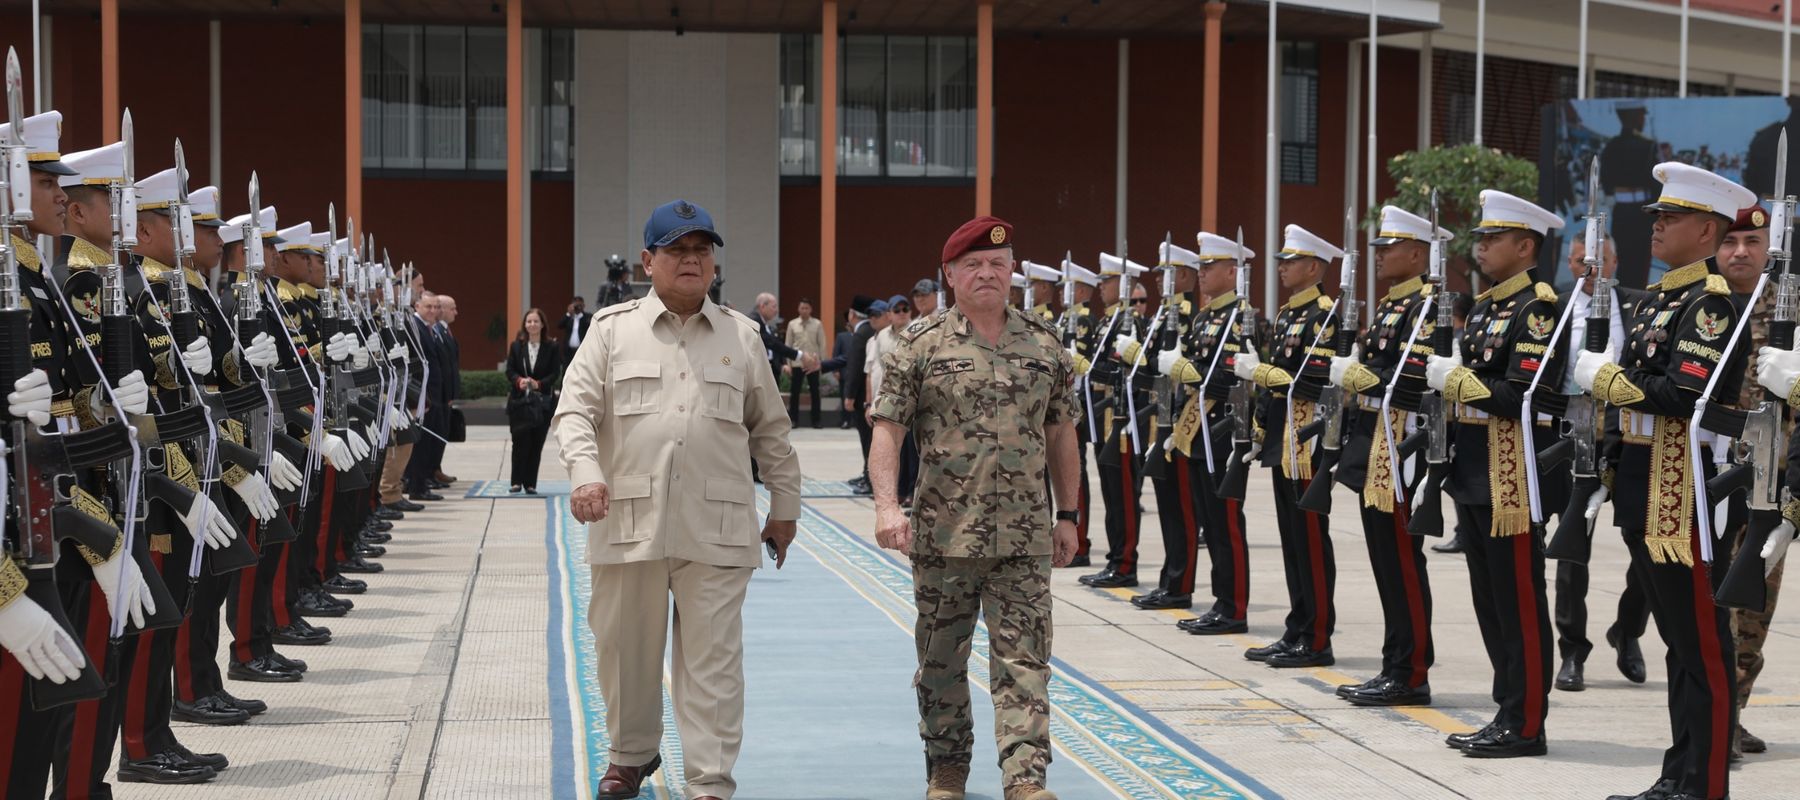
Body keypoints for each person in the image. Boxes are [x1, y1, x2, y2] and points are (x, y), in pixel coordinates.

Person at [554, 199, 800, 800]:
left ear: (713, 262)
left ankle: (710, 782)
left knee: (713, 664)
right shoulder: (611, 331)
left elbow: (771, 430)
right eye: (677, 250)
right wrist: (585, 474)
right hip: (627, 519)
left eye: (701, 250)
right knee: (624, 653)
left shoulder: (742, 337)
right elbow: (575, 412)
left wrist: (785, 508)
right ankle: (631, 755)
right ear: (648, 261)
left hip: (717, 525)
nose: (691, 260)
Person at [869, 215, 1077, 800]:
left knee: (1025, 662)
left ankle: (1025, 779)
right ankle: (947, 769)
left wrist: (1068, 515)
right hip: (944, 536)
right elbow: (887, 429)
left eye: (997, 264)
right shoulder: (920, 343)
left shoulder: (1044, 344)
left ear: (1012, 272)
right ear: (950, 274)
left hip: (1025, 537)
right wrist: (887, 507)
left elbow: (1062, 433)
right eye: (973, 264)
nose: (987, 273)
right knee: (941, 661)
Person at [1575, 162, 1753, 800]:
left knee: (1699, 643)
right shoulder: (1659, 299)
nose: (1657, 226)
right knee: (1679, 641)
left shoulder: (1710, 305)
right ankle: (1678, 773)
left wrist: (1607, 380)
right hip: (1642, 480)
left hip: (1684, 489)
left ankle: (1703, 783)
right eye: (1657, 216)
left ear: (1706, 232)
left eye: (1671, 218)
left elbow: (1682, 395)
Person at [1425, 190, 1564, 758]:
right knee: (1491, 603)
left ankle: (1526, 723)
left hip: (1512, 479)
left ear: (1525, 246)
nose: (1480, 247)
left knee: (1519, 603)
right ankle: (1507, 710)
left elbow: (1520, 396)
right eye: (1480, 237)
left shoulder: (1538, 309)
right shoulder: (1486, 307)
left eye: (1493, 238)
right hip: (1475, 471)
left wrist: (1457, 381)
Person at [1325, 205, 1444, 708]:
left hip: (1402, 445)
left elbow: (1415, 378)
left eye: (1389, 248)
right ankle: (1394, 664)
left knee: (1401, 562)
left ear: (1416, 254)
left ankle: (1411, 672)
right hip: (1374, 439)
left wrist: (1359, 375)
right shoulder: (1392, 305)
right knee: (1385, 563)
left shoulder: (1425, 306)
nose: (1379, 255)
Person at [1548, 235, 1652, 693]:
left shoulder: (1641, 305)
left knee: (1647, 548)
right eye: (1581, 262)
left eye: (1600, 261)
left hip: (1629, 436)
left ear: (1616, 261)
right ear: (1571, 265)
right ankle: (1572, 650)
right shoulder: (1554, 309)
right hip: (1575, 434)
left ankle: (1628, 629)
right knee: (1573, 548)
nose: (1591, 270)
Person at [1233, 225, 1340, 666]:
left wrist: (1260, 373)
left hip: (1308, 440)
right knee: (1292, 541)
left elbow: (1317, 381)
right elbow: (1277, 387)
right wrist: (1260, 427)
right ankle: (1297, 628)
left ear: (1313, 267)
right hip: (1284, 439)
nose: (1281, 267)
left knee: (1311, 540)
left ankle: (1317, 638)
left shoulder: (1325, 316)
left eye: (1290, 261)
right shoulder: (1287, 315)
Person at [1161, 233, 1257, 633]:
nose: (1201, 273)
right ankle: (1221, 602)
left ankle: (1234, 608)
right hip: (1197, 430)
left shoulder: (1242, 317)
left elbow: (1235, 380)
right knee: (1210, 523)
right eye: (1200, 266)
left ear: (1232, 272)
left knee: (1226, 525)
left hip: (1223, 432)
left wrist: (1186, 371)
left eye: (1209, 266)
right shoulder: (1204, 318)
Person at [1715, 203, 1780, 759]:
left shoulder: (1788, 314)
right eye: (1730, 241)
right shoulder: (1698, 305)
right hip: (1703, 479)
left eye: (1752, 242)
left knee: (1754, 607)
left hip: (1767, 486)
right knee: (1706, 608)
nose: (1740, 252)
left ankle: (1730, 716)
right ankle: (1709, 715)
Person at [1115, 242, 1200, 611]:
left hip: (1182, 423)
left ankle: (1180, 585)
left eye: (1167, 272)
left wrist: (1138, 354)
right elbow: (1150, 369)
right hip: (1160, 420)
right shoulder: (1163, 314)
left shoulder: (1190, 316)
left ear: (1184, 275)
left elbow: (1174, 367)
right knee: (1167, 507)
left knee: (1182, 510)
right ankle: (1170, 580)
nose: (1158, 279)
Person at [1078, 254, 1151, 590]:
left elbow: (1130, 373)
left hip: (1120, 422)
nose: (1101, 287)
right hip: (1103, 420)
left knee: (1123, 495)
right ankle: (1114, 559)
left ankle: (1125, 564)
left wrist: (1087, 368)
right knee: (1111, 494)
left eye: (1106, 281)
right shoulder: (1107, 322)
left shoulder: (1128, 323)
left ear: (1122, 285)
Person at [1600, 102, 1660, 290]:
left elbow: (1605, 179)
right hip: (1642, 211)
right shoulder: (1647, 145)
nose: (1643, 120)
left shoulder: (1611, 146)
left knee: (1623, 260)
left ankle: (1624, 297)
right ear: (1633, 116)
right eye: (1641, 115)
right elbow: (1655, 182)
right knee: (1640, 263)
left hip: (1621, 211)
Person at [506, 308, 562, 494]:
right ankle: (516, 482)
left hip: (542, 402)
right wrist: (519, 381)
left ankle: (530, 483)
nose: (532, 324)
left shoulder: (552, 347)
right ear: (525, 325)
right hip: (520, 402)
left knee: (536, 443)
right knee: (519, 442)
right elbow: (510, 370)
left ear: (542, 324)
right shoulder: (516, 346)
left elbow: (555, 373)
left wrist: (539, 384)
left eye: (536, 321)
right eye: (529, 321)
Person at [433, 294, 462, 485]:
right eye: (452, 308)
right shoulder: (436, 331)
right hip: (438, 395)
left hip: (446, 395)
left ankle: (435, 469)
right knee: (436, 435)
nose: (456, 312)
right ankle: (432, 471)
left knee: (442, 433)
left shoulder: (444, 331)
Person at [785, 297, 826, 427]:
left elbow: (822, 344)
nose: (804, 310)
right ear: (798, 309)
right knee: (795, 392)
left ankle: (816, 421)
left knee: (815, 392)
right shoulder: (792, 324)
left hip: (813, 364)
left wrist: (821, 363)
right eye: (802, 308)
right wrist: (788, 364)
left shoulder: (817, 324)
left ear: (811, 309)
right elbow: (788, 345)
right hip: (797, 363)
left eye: (806, 308)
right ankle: (794, 420)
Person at [561, 296, 592, 366]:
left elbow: (589, 325)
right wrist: (568, 313)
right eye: (576, 305)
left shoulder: (587, 316)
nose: (578, 307)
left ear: (583, 306)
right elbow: (560, 325)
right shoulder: (570, 317)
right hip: (569, 351)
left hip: (582, 350)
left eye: (579, 305)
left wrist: (581, 315)